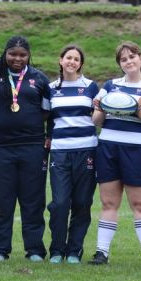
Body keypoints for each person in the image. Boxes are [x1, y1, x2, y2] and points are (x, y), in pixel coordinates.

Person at [0, 36, 51, 261]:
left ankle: (34, 250)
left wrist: (35, 126)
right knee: (1, 200)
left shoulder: (38, 78)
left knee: (33, 200)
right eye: (12, 54)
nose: (17, 58)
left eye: (22, 55)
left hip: (33, 146)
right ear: (5, 53)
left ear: (29, 56)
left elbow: (48, 111)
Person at [89, 41, 141, 265]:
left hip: (139, 150)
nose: (129, 61)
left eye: (132, 56)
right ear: (119, 64)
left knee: (140, 203)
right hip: (108, 147)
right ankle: (101, 253)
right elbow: (95, 121)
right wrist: (100, 107)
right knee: (108, 202)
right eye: (123, 59)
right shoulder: (110, 86)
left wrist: (138, 110)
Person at [46, 45, 98, 264]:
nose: (72, 62)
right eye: (68, 57)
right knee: (59, 203)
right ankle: (57, 250)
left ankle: (75, 251)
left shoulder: (91, 87)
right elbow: (47, 117)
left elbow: (99, 115)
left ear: (80, 64)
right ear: (61, 60)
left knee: (82, 202)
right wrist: (48, 137)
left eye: (76, 59)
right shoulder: (50, 88)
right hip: (60, 151)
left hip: (87, 150)